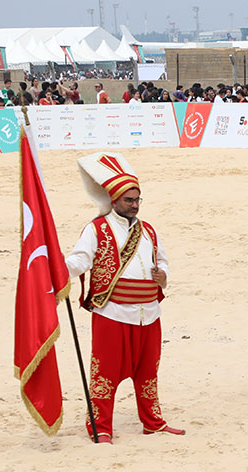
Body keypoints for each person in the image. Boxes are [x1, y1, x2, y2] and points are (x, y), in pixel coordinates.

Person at [64, 153, 184, 443]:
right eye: (128, 200)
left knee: (148, 372)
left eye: (137, 200)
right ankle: (100, 426)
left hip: (149, 313)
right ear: (114, 200)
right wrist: (56, 268)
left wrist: (163, 275)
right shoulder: (97, 228)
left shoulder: (149, 231)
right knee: (104, 372)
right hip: (113, 312)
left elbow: (163, 261)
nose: (134, 205)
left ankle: (152, 421)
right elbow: (80, 260)